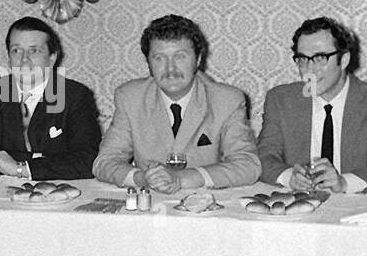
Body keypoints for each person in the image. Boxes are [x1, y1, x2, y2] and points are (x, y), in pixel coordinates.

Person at [93, 14, 260, 192]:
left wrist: (181, 179)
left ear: (198, 59)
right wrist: (142, 177)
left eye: (180, 57)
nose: (170, 69)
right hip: (148, 205)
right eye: (159, 58)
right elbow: (104, 162)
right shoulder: (130, 97)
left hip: (205, 206)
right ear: (148, 63)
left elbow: (248, 166)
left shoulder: (227, 100)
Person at [257, 17, 367, 193]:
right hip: (297, 207)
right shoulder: (280, 99)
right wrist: (289, 177)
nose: (309, 69)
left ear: (343, 60)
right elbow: (263, 157)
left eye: (320, 58)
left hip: (356, 207)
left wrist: (344, 183)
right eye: (302, 59)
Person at [0, 17, 100, 182]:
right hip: (0, 195)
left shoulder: (75, 96)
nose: (24, 60)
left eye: (34, 50)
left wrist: (20, 167)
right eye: (16, 50)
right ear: (8, 57)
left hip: (59, 195)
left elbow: (87, 160)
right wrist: (44, 159)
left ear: (52, 57)